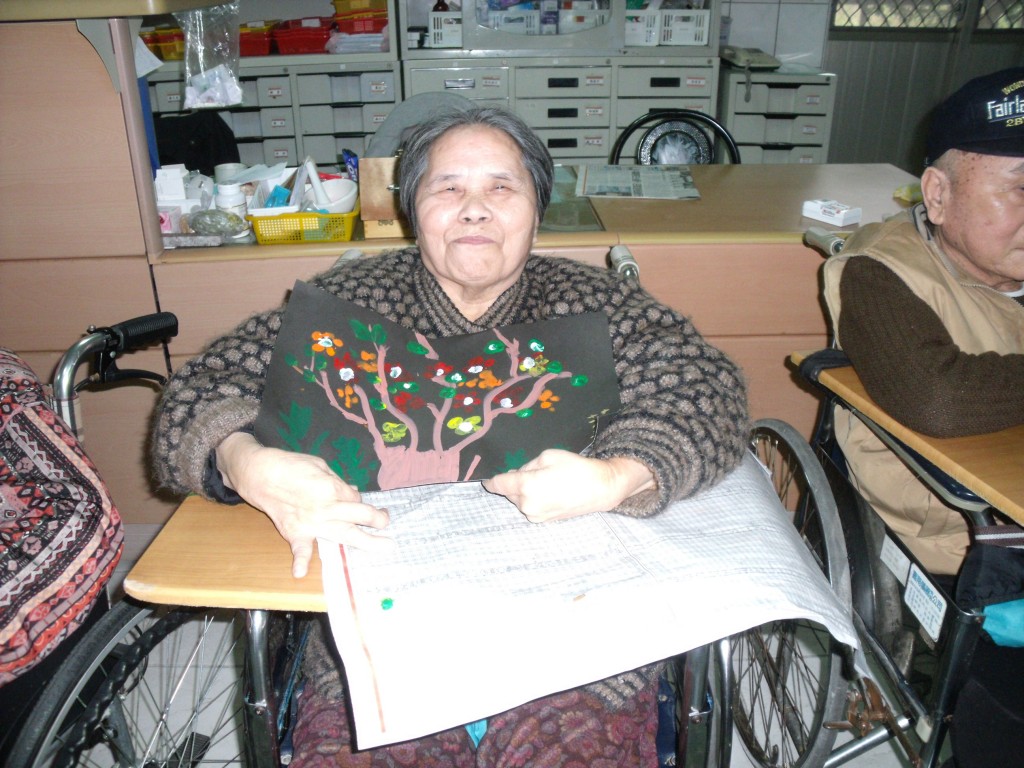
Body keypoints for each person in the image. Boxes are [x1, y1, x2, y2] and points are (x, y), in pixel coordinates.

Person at [151, 106, 749, 766]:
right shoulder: (349, 302)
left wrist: (618, 475)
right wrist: (244, 459)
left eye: (502, 187)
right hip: (386, 632)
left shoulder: (600, 305)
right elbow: (207, 384)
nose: (474, 209)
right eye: (448, 187)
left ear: (537, 211)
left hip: (576, 631)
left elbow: (705, 386)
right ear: (413, 209)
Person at [821, 67, 1024, 768]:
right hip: (966, 535)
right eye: (1020, 188)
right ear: (937, 195)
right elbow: (937, 397)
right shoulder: (881, 271)